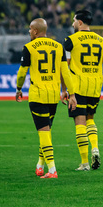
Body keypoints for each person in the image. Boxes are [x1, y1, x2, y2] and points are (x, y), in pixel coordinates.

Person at [15, 18, 77, 179]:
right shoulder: (58, 46)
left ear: (35, 31)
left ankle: (52, 170)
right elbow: (66, 72)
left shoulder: (28, 47)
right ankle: (40, 164)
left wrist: (19, 88)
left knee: (43, 133)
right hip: (53, 96)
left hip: (37, 95)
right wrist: (72, 94)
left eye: (30, 29)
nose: (29, 31)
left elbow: (22, 72)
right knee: (46, 132)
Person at [62, 10, 103, 171]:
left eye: (74, 20)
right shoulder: (102, 41)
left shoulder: (70, 40)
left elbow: (65, 66)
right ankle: (95, 148)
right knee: (90, 119)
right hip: (94, 86)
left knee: (79, 123)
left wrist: (64, 89)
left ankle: (84, 162)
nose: (72, 23)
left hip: (77, 87)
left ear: (80, 22)